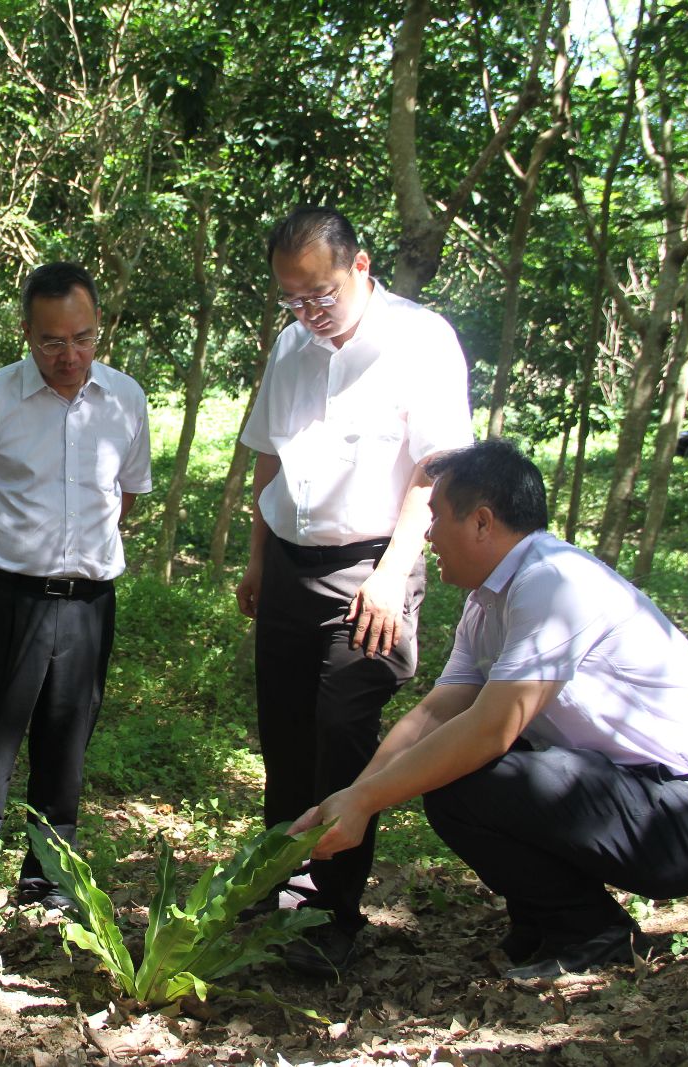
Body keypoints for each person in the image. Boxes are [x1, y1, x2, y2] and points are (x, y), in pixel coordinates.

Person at [292, 439, 688, 981]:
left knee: (468, 777)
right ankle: (546, 920)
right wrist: (354, 797)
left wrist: (367, 798)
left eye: (436, 518)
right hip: (632, 794)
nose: (428, 535)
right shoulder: (490, 600)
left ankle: (591, 932)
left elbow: (490, 730)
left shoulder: (553, 581)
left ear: (482, 522)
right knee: (461, 777)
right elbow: (436, 714)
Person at [235, 206, 473, 975]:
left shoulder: (419, 339)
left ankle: (332, 915)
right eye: (292, 300)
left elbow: (434, 472)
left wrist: (391, 573)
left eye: (321, 296)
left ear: (360, 267)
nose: (308, 313)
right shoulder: (290, 348)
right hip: (290, 564)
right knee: (285, 731)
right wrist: (256, 558)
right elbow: (269, 460)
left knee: (341, 728)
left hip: (375, 563)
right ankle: (281, 885)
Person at [0, 262, 152, 924]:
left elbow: (125, 494)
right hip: (8, 599)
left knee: (66, 745)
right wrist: (21, 548)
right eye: (52, 341)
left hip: (89, 603)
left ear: (99, 329)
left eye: (83, 337)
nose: (69, 355)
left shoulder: (125, 399)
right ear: (26, 333)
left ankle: (48, 884)